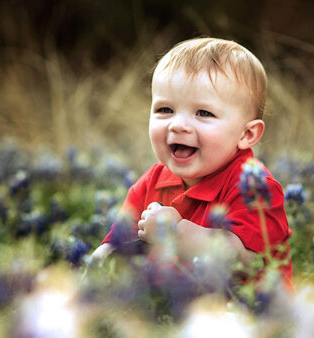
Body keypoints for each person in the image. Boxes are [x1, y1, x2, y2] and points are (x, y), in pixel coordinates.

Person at [89, 37, 292, 290]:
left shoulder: (254, 187)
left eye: (203, 113)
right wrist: (104, 255)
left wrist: (174, 232)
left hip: (250, 314)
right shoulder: (152, 181)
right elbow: (121, 238)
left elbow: (246, 261)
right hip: (176, 309)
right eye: (165, 109)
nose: (178, 125)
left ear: (246, 135)